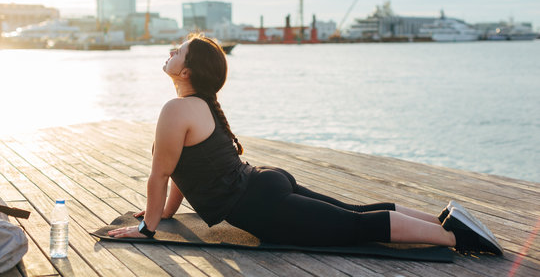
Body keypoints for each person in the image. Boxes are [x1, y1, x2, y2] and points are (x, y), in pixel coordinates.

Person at [108, 34, 501, 255]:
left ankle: (454, 236)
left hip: (260, 204)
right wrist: (165, 215)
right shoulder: (199, 106)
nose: (170, 52)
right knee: (355, 212)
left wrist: (148, 227)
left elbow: (160, 173)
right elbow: (181, 172)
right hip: (266, 182)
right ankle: (442, 219)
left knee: (354, 226)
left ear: (188, 71)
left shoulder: (176, 109)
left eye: (178, 51)